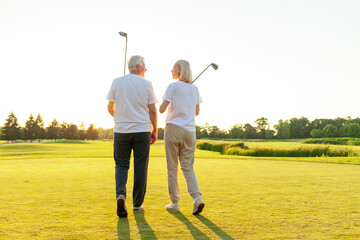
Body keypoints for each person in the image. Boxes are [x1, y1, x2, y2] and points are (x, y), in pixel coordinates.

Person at [106, 55, 158, 218]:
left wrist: (119, 116)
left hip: (121, 130)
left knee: (121, 165)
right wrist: (155, 129)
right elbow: (152, 110)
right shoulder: (147, 84)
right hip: (142, 130)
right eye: (145, 65)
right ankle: (137, 205)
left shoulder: (116, 82)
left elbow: (110, 107)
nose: (146, 69)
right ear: (138, 66)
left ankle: (121, 195)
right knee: (140, 166)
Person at [159, 60, 204, 215]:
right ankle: (197, 198)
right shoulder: (195, 88)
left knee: (172, 168)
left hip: (173, 129)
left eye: (173, 68)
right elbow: (196, 112)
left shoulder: (172, 86)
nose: (171, 70)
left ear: (179, 70)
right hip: (190, 132)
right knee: (187, 166)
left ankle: (175, 202)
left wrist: (171, 102)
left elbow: (161, 109)